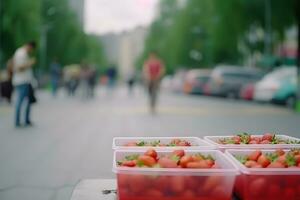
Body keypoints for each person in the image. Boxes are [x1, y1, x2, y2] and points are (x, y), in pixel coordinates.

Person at [12, 41, 37, 127]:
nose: (31, 51)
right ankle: (18, 121)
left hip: (26, 81)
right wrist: (30, 63)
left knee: (28, 101)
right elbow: (19, 67)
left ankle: (25, 120)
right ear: (29, 46)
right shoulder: (21, 53)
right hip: (22, 81)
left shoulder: (22, 53)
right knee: (21, 101)